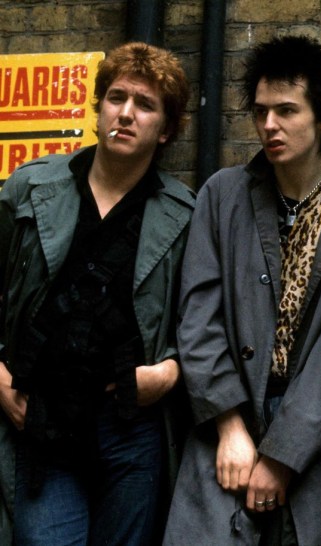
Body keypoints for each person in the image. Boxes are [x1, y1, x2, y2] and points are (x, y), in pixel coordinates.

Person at [162, 35, 321, 546]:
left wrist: (283, 457)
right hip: (222, 418)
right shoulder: (222, 194)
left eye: (286, 110)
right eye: (261, 111)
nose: (269, 125)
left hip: (307, 434)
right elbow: (198, 316)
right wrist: (229, 427)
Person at [0, 42, 193, 545]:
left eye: (145, 104)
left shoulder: (185, 215)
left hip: (129, 428)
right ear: (99, 107)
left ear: (165, 129)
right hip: (43, 419)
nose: (126, 113)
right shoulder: (30, 188)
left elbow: (202, 323)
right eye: (116, 97)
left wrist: (169, 372)